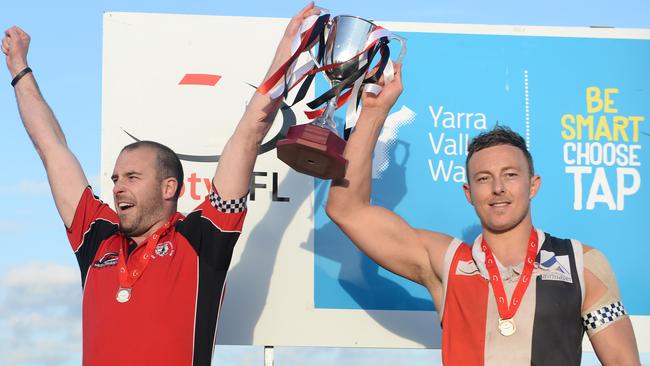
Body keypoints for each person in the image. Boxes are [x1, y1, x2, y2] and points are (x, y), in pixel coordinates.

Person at [1, 4, 319, 365]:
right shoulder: (96, 236)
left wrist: (289, 48)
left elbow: (250, 133)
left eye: (132, 178)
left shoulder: (202, 239)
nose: (118, 187)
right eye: (117, 178)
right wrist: (18, 70)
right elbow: (51, 148)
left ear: (169, 188)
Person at [325, 64, 641, 365]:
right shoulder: (446, 263)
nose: (498, 188)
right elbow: (346, 209)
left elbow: (622, 362)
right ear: (469, 193)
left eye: (510, 175)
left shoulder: (582, 264)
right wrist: (374, 112)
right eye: (484, 178)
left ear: (533, 186)